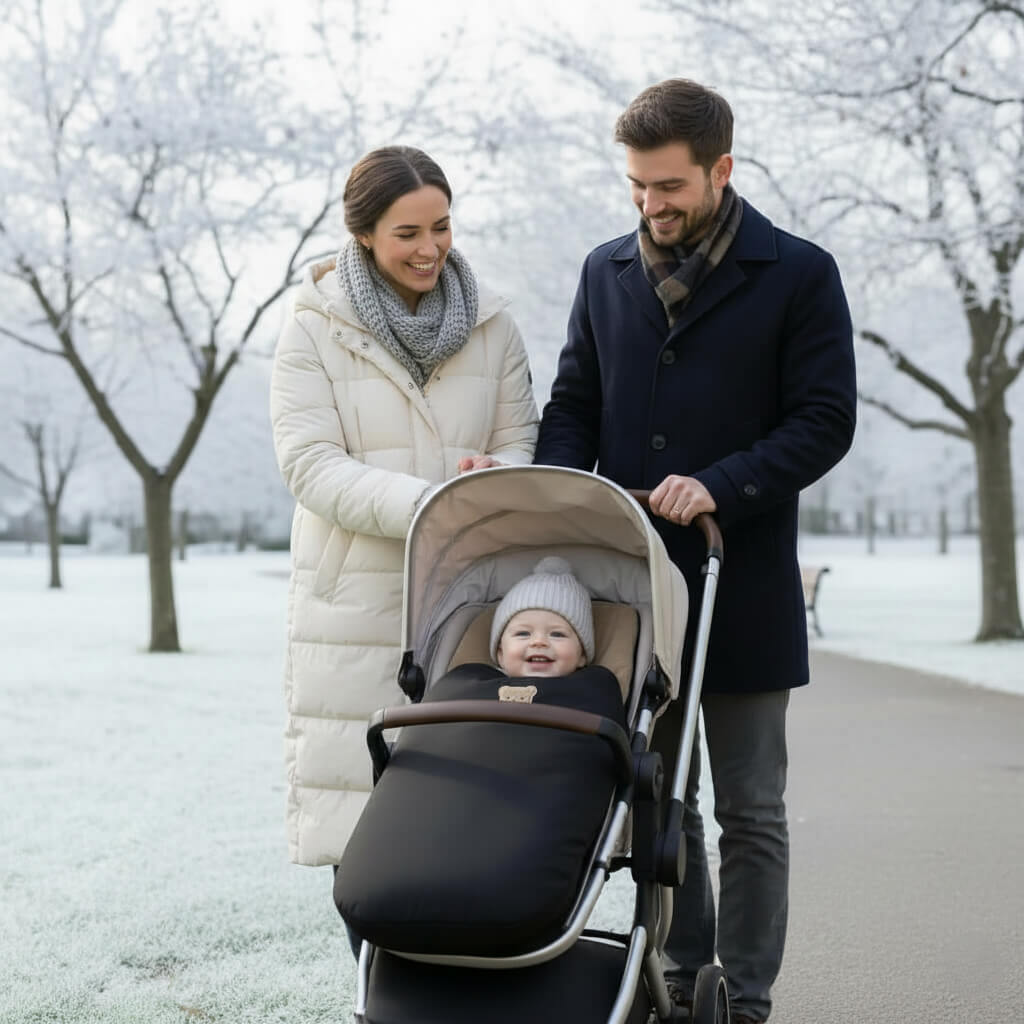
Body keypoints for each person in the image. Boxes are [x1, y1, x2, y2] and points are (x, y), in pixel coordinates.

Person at [534, 79, 856, 1023]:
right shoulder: (605, 272)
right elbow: (573, 403)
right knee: (660, 803)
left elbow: (825, 420)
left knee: (750, 809)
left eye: (668, 185)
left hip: (742, 583)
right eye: (636, 186)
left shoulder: (798, 273)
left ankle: (747, 999)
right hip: (639, 597)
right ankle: (682, 984)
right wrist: (564, 491)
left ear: (722, 168)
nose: (650, 205)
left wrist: (724, 482)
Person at [270, 145, 539, 874]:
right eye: (408, 234)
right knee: (360, 827)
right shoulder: (313, 327)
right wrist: (433, 504)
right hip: (355, 602)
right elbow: (310, 465)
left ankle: (456, 989)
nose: (431, 250)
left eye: (442, 228)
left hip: (470, 594)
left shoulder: (493, 324)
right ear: (363, 234)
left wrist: (496, 475)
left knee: (465, 823)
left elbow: (520, 441)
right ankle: (375, 992)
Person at [490, 556, 594, 677]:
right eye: (523, 633)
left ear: (582, 655)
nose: (539, 642)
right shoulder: (480, 683)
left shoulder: (591, 687)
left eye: (557, 634)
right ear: (501, 654)